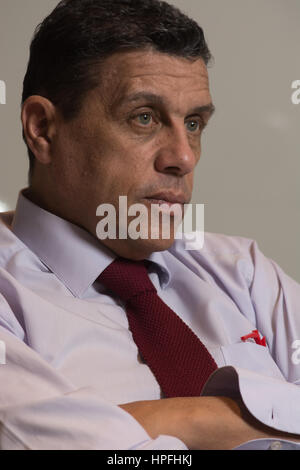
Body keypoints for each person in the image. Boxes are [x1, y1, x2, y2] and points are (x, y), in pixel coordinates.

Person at [0, 0, 300, 451]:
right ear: (42, 129)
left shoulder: (245, 272)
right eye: (144, 117)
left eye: (194, 123)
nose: (182, 157)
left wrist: (167, 419)